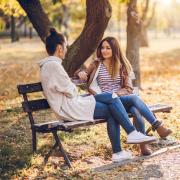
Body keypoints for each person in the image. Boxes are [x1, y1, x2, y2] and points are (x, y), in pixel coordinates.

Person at [39, 28, 156, 163]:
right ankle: (129, 137)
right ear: (60, 48)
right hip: (71, 107)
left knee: (112, 100)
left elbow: (66, 87)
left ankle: (121, 149)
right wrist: (75, 81)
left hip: (73, 104)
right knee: (113, 103)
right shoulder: (53, 66)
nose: (66, 50)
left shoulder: (50, 65)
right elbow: (71, 90)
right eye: (65, 46)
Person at [76, 36, 172, 156]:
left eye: (108, 48)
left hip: (119, 99)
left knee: (135, 110)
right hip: (104, 100)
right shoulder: (96, 64)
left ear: (115, 49)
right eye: (102, 48)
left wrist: (116, 95)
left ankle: (143, 145)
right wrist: (80, 72)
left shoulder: (122, 65)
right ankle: (157, 126)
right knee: (134, 99)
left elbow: (128, 88)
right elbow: (83, 73)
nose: (104, 50)